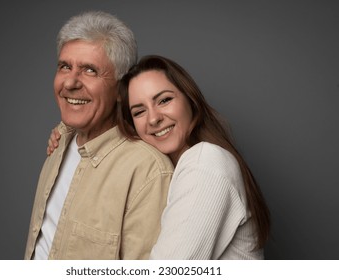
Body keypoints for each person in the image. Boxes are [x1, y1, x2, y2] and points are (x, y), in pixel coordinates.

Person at [48, 55, 271, 259]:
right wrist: (66, 130)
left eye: (164, 100)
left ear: (190, 101)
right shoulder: (180, 167)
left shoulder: (204, 162)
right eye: (139, 111)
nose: (153, 119)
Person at [24, 12, 174, 260]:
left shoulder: (148, 170)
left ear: (120, 89)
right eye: (65, 66)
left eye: (90, 70)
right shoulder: (60, 141)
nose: (70, 82)